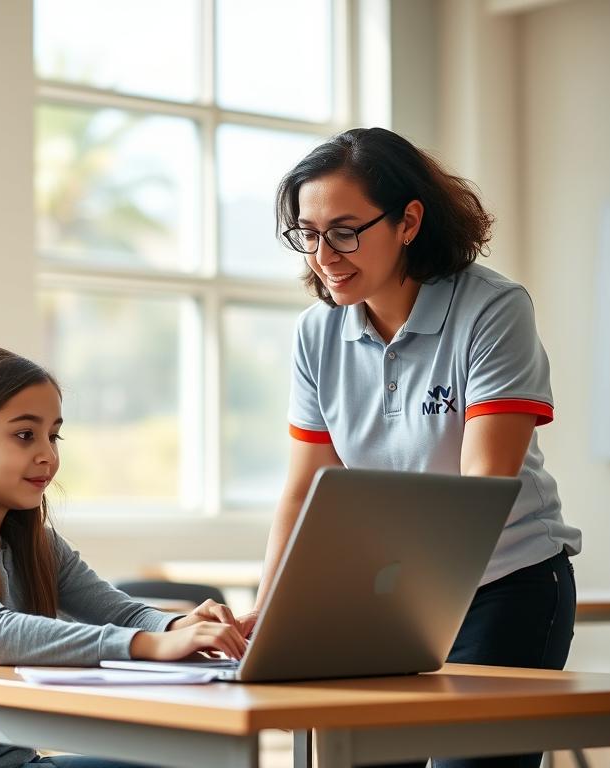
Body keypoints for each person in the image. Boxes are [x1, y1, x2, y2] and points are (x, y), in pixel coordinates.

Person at [247, 127, 582, 768]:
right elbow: (304, 489)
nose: (325, 255)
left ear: (409, 222)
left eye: (346, 231)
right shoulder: (317, 333)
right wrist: (272, 612)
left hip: (503, 586)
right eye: (308, 234)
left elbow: (482, 486)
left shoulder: (493, 309)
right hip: (386, 595)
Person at [0, 342, 246, 768]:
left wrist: (180, 625)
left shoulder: (31, 538)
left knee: (196, 760)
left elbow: (121, 614)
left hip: (16, 762)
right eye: (25, 435)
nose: (49, 455)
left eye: (53, 435)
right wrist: (152, 644)